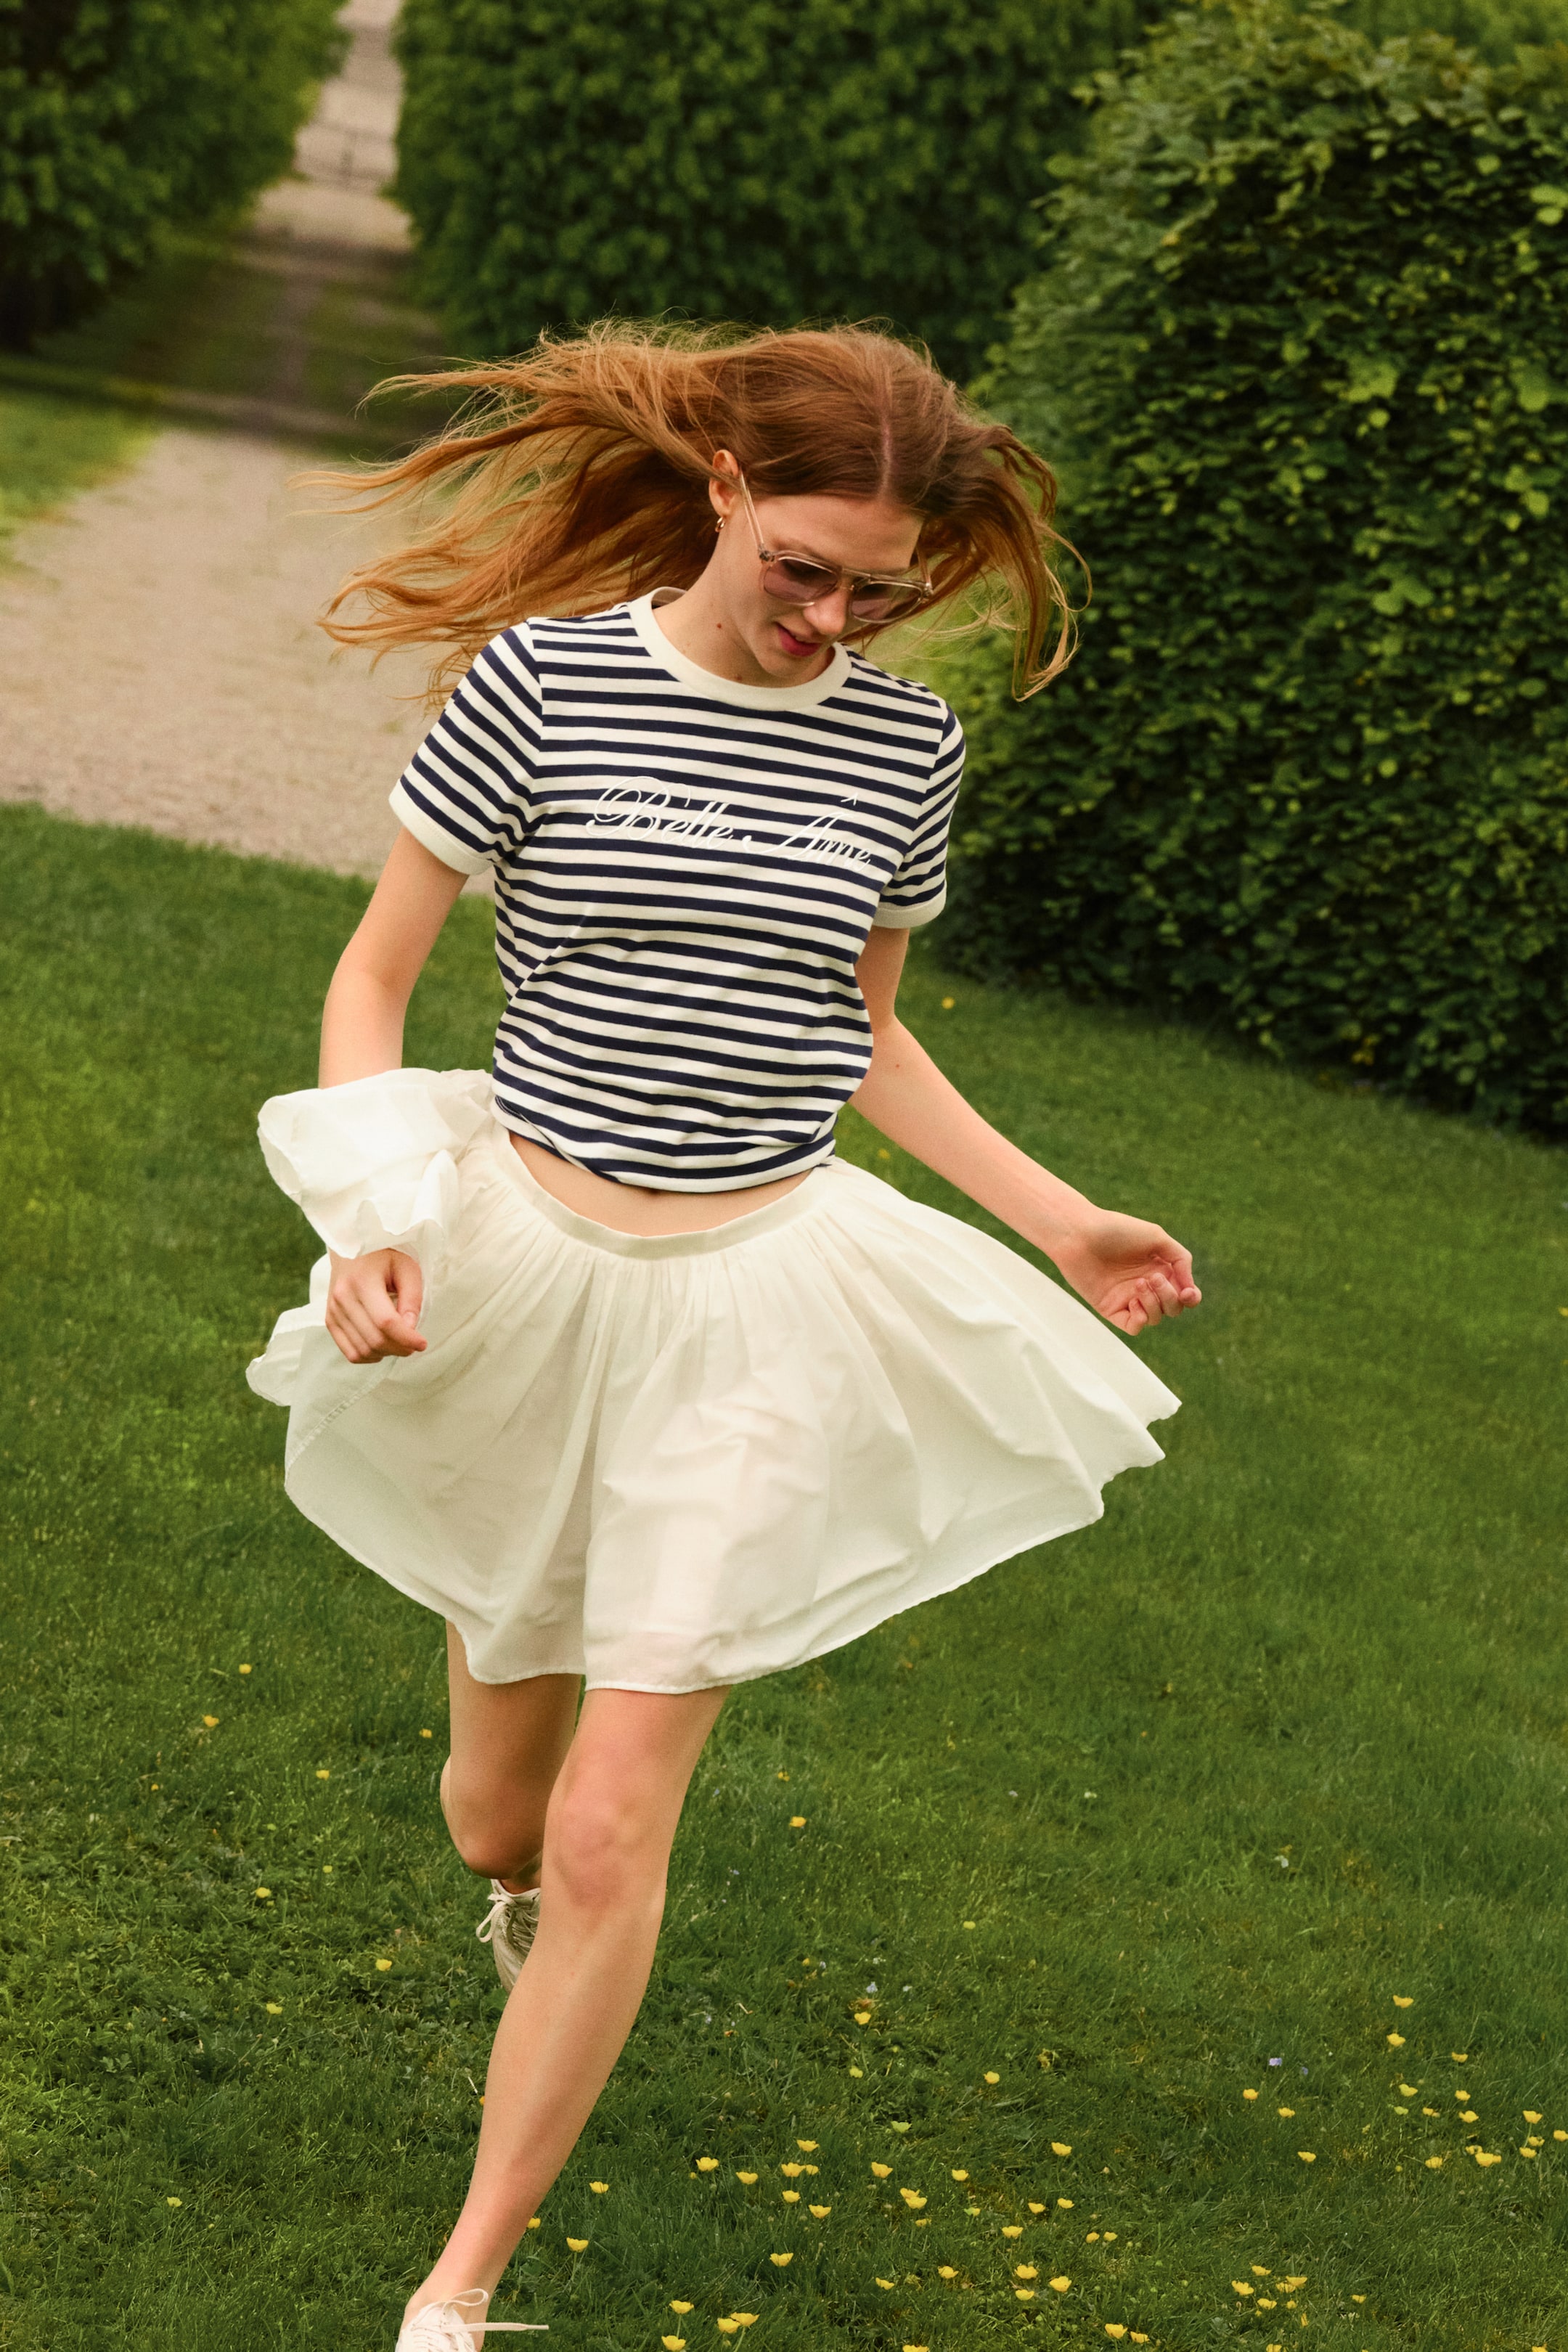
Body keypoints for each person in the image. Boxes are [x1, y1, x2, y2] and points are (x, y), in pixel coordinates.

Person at [247, 322, 1201, 2352]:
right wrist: (373, 1217)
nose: (833, 621)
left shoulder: (901, 748)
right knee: (505, 1817)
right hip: (522, 1277)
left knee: (617, 1826)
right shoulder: (547, 685)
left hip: (756, 1303)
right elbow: (374, 977)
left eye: (881, 591)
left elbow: (864, 1032)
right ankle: (514, 1900)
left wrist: (1060, 1217)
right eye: (804, 570)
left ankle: (456, 2293)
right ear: (726, 490)